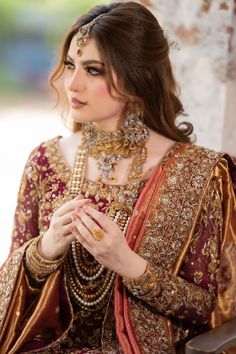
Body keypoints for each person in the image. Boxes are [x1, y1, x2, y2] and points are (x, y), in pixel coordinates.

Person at [0, 2, 235, 353]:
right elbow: (9, 287)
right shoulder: (45, 162)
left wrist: (128, 264)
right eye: (69, 66)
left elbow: (211, 309)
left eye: (93, 70)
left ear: (136, 76)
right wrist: (45, 250)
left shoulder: (202, 174)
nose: (72, 84)